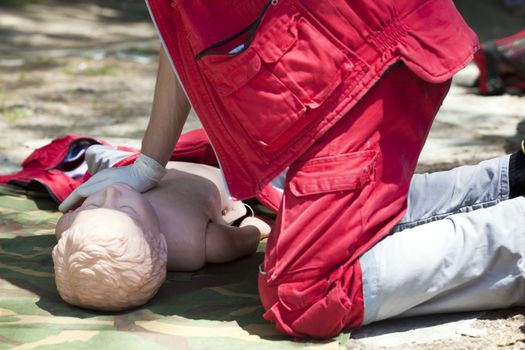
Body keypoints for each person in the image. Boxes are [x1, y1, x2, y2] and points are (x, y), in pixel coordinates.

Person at [59, 0, 481, 338]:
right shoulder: (178, 241)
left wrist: (259, 226)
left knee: (305, 298)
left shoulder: (180, 241)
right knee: (309, 261)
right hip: (315, 91)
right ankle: (503, 184)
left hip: (373, 62)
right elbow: (184, 35)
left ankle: (512, 236)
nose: (111, 198)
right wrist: (149, 165)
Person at [53, 145, 270, 311]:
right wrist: (255, 226)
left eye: (93, 206)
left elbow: (65, 227)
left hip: (137, 161)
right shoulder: (191, 242)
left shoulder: (78, 233)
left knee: (94, 153)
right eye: (127, 209)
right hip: (223, 164)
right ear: (158, 241)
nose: (111, 194)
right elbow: (241, 239)